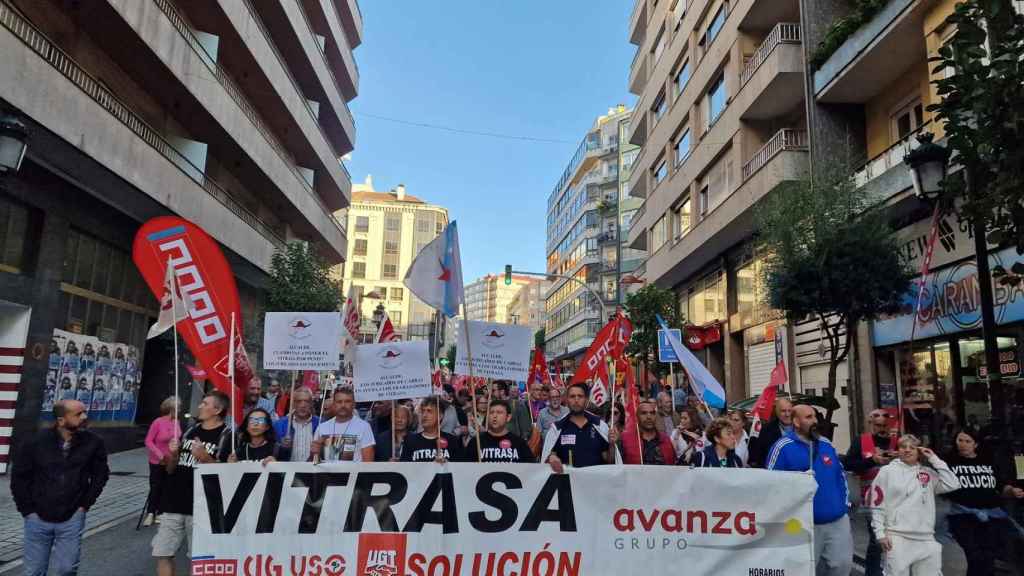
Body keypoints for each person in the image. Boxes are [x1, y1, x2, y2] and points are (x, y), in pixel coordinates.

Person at [12, 400, 109, 576]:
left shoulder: (94, 442)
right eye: (78, 414)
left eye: (84, 412)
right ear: (61, 420)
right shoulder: (36, 442)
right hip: (37, 518)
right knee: (34, 571)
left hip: (72, 517)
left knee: (67, 569)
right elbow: (19, 478)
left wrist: (84, 505)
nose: (85, 417)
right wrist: (27, 510)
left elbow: (100, 475)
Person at [152, 392, 231, 576]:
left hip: (202, 507)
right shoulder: (190, 430)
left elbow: (227, 476)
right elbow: (171, 469)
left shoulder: (227, 436)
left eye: (205, 403)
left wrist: (205, 458)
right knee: (163, 554)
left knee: (198, 559)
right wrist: (172, 454)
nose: (200, 406)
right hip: (173, 502)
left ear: (217, 410)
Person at [767, 404, 851, 576]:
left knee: (842, 566)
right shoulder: (782, 447)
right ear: (796, 422)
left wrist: (844, 505)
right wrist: (796, 482)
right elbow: (770, 484)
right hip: (803, 526)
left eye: (814, 416)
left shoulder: (826, 444)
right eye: (808, 417)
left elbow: (840, 476)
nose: (814, 421)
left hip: (837, 522)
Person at [871, 434, 959, 576]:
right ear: (898, 450)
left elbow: (952, 484)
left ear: (919, 451)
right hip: (897, 537)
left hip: (926, 538)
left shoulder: (927, 473)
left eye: (912, 447)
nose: (907, 450)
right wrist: (880, 533)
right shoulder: (886, 472)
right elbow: (877, 504)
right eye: (903, 447)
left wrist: (934, 459)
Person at [944, 428, 1024, 576]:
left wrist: (1012, 491)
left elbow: (1000, 486)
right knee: (974, 555)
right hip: (963, 514)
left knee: (989, 556)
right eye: (959, 440)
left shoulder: (987, 461)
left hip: (992, 515)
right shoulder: (949, 462)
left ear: (976, 444)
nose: (962, 444)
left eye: (968, 441)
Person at [845, 408, 898, 576]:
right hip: (871, 498)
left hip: (897, 498)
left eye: (884, 425)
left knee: (896, 537)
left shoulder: (897, 442)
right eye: (877, 425)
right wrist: (871, 461)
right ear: (870, 424)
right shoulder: (861, 441)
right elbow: (848, 464)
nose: (881, 429)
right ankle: (873, 573)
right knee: (877, 538)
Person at [542, 383, 619, 472]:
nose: (576, 400)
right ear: (567, 401)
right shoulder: (558, 428)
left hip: (597, 483)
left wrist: (612, 445)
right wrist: (551, 458)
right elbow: (547, 461)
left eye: (580, 396)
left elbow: (610, 461)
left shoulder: (599, 425)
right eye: (572, 396)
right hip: (569, 484)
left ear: (586, 400)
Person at [143, 397, 182, 526]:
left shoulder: (177, 422)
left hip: (172, 459)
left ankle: (161, 512)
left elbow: (178, 438)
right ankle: (150, 513)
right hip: (157, 460)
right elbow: (148, 441)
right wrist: (160, 456)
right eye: (178, 408)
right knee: (156, 486)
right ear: (171, 409)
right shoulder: (158, 422)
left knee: (167, 486)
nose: (180, 410)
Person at [311, 387, 375, 462]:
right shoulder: (322, 427)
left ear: (354, 404)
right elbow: (315, 462)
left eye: (347, 401)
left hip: (354, 473)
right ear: (334, 404)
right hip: (326, 473)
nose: (343, 405)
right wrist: (315, 453)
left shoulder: (364, 426)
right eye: (339, 402)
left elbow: (368, 462)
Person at [272, 387, 320, 463]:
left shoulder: (320, 423)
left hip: (313, 472)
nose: (303, 405)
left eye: (306, 401)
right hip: (288, 472)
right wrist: (280, 446)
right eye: (299, 401)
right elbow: (271, 453)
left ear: (311, 403)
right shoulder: (279, 425)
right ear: (293, 403)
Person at [620, 399, 675, 465]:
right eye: (644, 413)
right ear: (637, 417)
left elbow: (673, 465)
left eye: (652, 413)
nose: (649, 417)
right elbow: (613, 462)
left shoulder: (665, 439)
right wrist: (612, 445)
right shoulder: (625, 438)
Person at [749, 397, 794, 468]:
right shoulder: (765, 430)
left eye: (789, 411)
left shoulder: (800, 428)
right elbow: (758, 457)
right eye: (783, 411)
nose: (787, 414)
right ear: (777, 412)